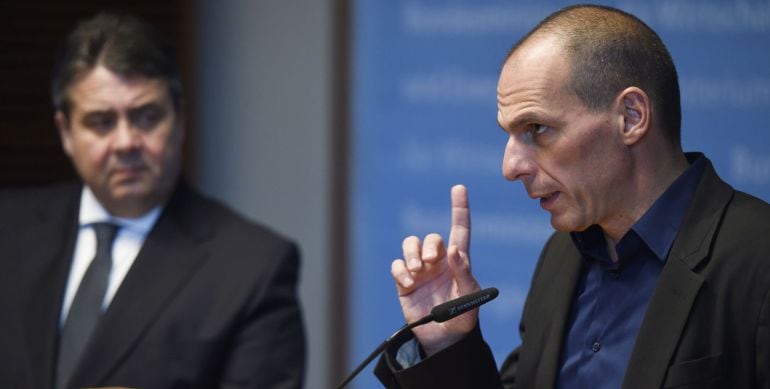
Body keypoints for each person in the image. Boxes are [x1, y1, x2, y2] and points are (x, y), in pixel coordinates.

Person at [374, 4, 770, 389]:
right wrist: (448, 345)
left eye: (538, 128)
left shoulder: (758, 256)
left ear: (631, 117)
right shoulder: (561, 259)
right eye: (509, 134)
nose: (510, 166)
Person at [0, 12, 305, 389]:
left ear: (179, 121)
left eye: (146, 117)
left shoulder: (253, 267)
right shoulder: (8, 230)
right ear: (65, 132)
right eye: (101, 121)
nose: (126, 142)